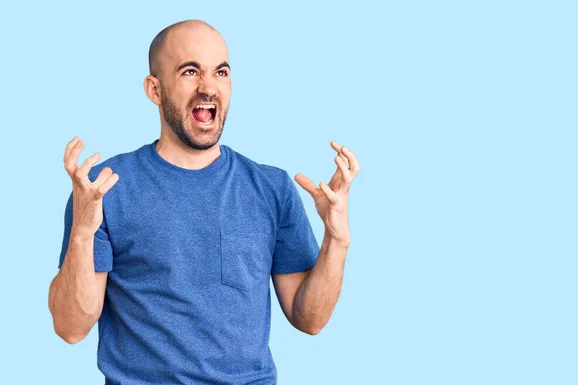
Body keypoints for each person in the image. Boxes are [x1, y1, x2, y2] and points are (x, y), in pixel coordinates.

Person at [47, 19, 360, 385]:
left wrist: (337, 239)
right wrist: (83, 234)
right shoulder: (103, 189)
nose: (208, 87)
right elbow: (71, 328)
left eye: (221, 72)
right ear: (154, 89)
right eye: (190, 71)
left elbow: (310, 320)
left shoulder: (271, 187)